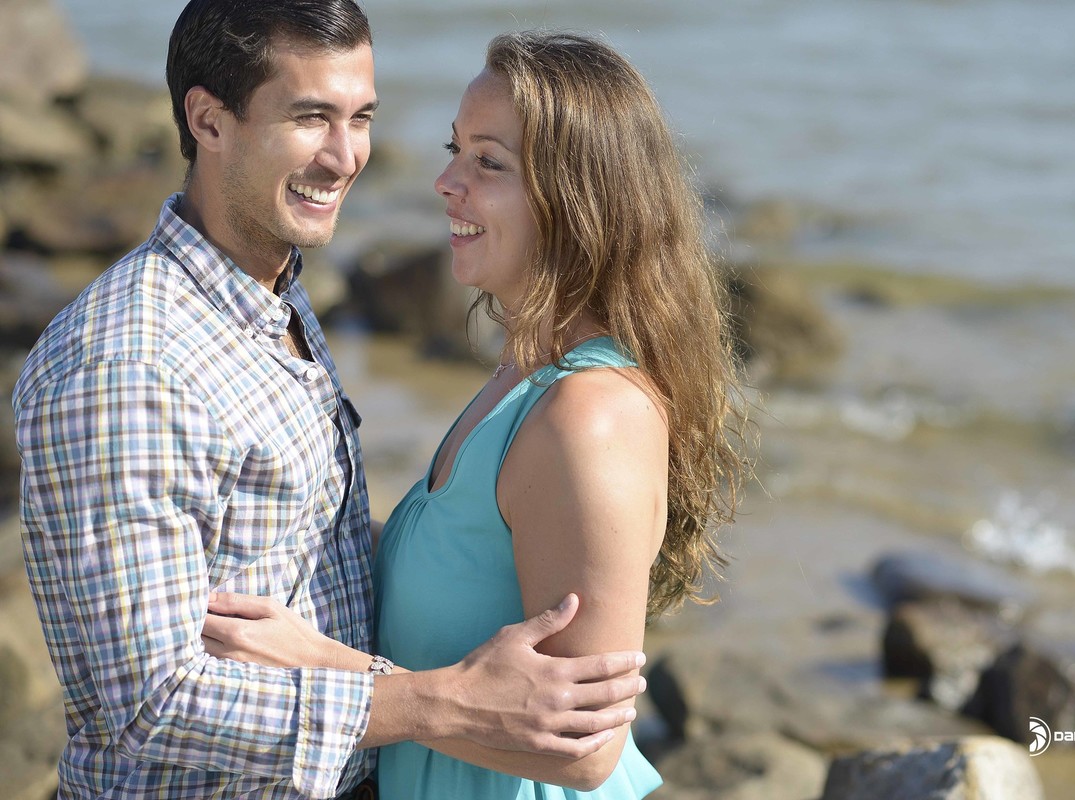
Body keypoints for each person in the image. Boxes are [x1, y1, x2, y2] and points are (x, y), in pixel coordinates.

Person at [12, 5, 647, 799]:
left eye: (361, 118)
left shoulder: (269, 299)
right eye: (311, 117)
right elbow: (151, 699)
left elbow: (308, 542)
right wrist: (433, 702)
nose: (346, 158)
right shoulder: (130, 363)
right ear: (208, 121)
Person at [203, 29, 751, 799]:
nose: (445, 182)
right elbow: (465, 558)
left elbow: (583, 751)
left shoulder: (588, 416)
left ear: (576, 199)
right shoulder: (523, 376)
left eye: (488, 163)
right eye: (454, 149)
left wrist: (321, 665)